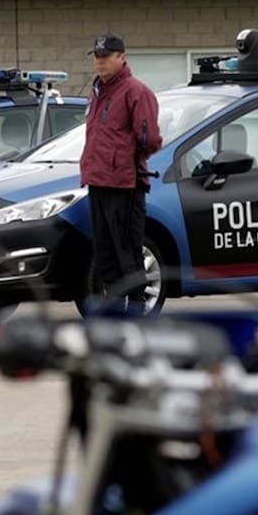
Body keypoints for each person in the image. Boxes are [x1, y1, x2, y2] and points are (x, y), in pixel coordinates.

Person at [80, 33, 162, 310]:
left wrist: (125, 160)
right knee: (105, 254)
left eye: (106, 57)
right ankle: (114, 310)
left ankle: (138, 309)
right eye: (96, 57)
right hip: (97, 181)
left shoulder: (135, 91)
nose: (100, 62)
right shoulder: (97, 92)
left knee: (127, 251)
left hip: (125, 184)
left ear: (122, 57)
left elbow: (149, 139)